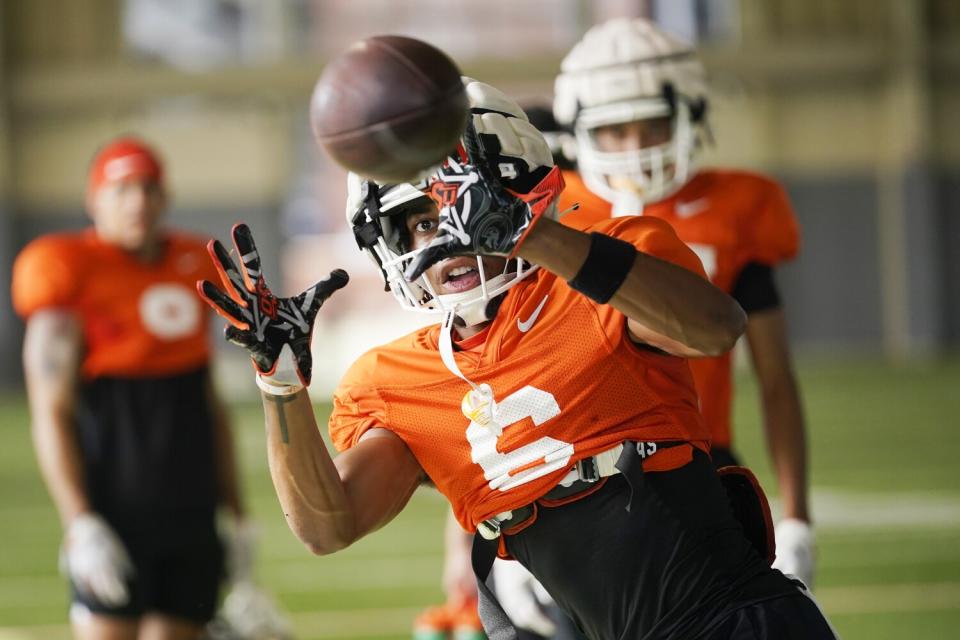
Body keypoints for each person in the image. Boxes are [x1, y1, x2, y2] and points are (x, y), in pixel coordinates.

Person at [199, 78, 836, 639]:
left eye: (454, 209)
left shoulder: (607, 270)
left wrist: (535, 234)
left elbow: (714, 328)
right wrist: (279, 384)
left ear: (517, 190)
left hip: (735, 620)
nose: (442, 239)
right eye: (419, 224)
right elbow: (327, 527)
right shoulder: (394, 381)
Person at [553, 17, 816, 587]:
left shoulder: (738, 205)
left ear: (690, 114)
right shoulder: (550, 212)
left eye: (650, 126)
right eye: (614, 131)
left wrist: (797, 519)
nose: (635, 146)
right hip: (570, 473)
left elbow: (776, 377)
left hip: (703, 460)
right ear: (577, 131)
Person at [12, 137, 287, 640]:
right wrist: (80, 522)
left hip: (190, 501)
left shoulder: (193, 263)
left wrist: (238, 514)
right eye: (121, 190)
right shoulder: (64, 267)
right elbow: (50, 410)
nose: (137, 201)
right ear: (94, 199)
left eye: (148, 188)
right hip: (113, 503)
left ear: (165, 196)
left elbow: (207, 401)